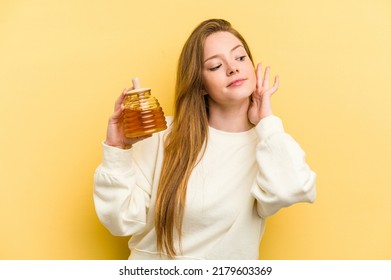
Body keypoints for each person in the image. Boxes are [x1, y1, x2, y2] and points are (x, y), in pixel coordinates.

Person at [94, 18, 316, 260]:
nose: (233, 68)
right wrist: (118, 149)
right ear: (200, 85)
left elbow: (292, 189)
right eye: (215, 66)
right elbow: (121, 221)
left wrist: (267, 122)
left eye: (240, 58)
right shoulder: (162, 135)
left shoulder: (267, 145)